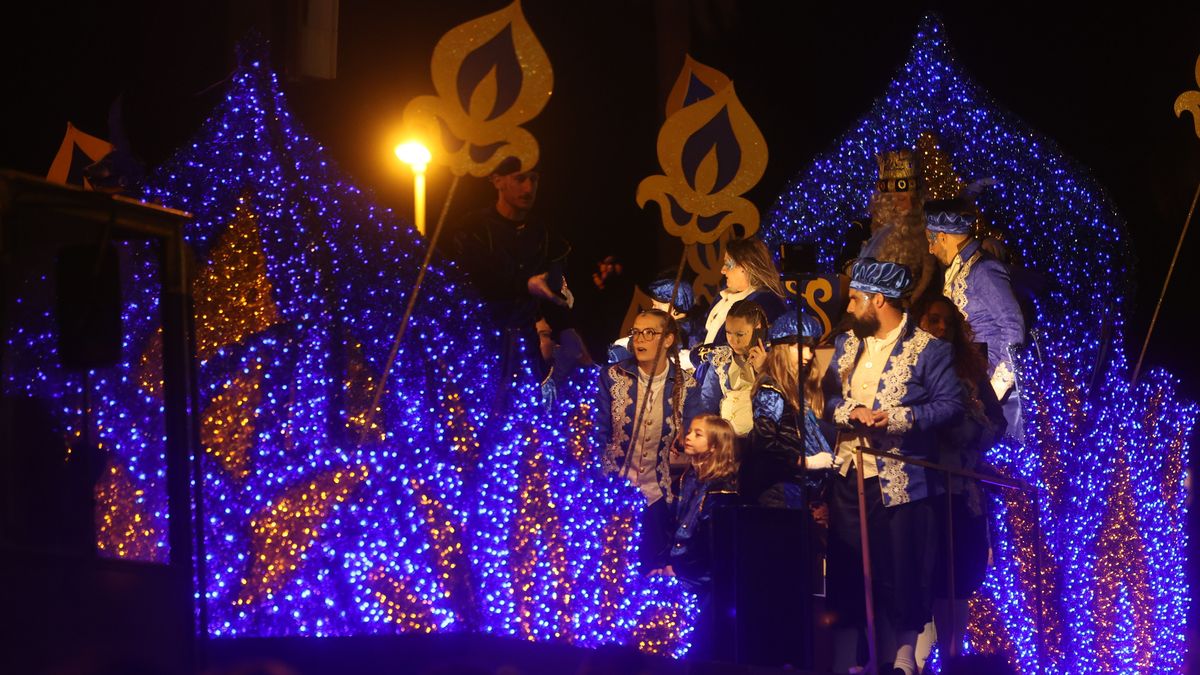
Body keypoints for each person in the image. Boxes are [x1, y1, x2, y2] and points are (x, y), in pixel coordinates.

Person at [822, 258, 964, 675]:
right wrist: (852, 411)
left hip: (903, 479)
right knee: (849, 567)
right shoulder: (848, 346)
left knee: (902, 567)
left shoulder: (929, 350)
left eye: (854, 299)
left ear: (877, 300)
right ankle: (851, 659)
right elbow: (828, 401)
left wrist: (896, 417)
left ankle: (903, 659)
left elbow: (950, 406)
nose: (848, 308)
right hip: (851, 474)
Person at [913, 296, 1005, 667]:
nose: (939, 329)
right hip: (925, 485)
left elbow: (997, 422)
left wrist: (972, 432)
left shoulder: (970, 371)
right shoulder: (909, 366)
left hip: (964, 488)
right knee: (928, 577)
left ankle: (953, 660)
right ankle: (916, 663)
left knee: (961, 577)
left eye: (947, 323)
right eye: (932, 320)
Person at [449, 157, 579, 381]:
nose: (528, 188)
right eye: (520, 179)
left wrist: (567, 329)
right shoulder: (473, 228)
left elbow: (556, 287)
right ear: (498, 181)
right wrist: (524, 284)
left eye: (534, 179)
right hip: (478, 341)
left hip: (525, 345)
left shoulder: (544, 234)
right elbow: (472, 278)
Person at [595, 309, 701, 574]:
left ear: (667, 340)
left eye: (649, 333)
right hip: (612, 497)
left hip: (657, 500)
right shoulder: (612, 377)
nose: (639, 339)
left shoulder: (686, 385)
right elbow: (597, 432)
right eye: (636, 332)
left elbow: (695, 434)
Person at [924, 198, 1025, 436]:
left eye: (931, 241)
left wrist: (995, 387)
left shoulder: (984, 269)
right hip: (970, 383)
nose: (930, 250)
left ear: (943, 237)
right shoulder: (960, 269)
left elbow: (1013, 327)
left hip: (992, 387)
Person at [742, 313, 836, 508]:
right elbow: (765, 442)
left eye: (811, 348)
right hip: (778, 488)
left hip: (796, 487)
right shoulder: (771, 388)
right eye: (800, 347)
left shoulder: (796, 387)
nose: (809, 355)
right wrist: (806, 462)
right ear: (783, 348)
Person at [666, 413, 739, 660]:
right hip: (681, 568)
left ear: (715, 447)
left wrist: (683, 568)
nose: (688, 437)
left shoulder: (722, 490)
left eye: (698, 434)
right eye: (690, 432)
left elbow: (713, 545)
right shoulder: (688, 478)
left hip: (701, 578)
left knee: (699, 645)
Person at [847, 149, 940, 306]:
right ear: (887, 201)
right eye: (902, 199)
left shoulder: (930, 233)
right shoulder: (862, 229)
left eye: (914, 199)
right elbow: (845, 264)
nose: (910, 206)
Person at [696, 300, 770, 436]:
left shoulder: (773, 357)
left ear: (757, 328)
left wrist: (763, 371)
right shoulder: (722, 358)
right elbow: (707, 400)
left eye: (740, 334)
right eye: (728, 333)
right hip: (726, 441)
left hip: (760, 440)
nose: (733, 340)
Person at [700, 237, 787, 348]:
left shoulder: (766, 303)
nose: (723, 270)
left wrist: (699, 356)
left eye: (728, 264)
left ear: (746, 267)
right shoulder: (722, 298)